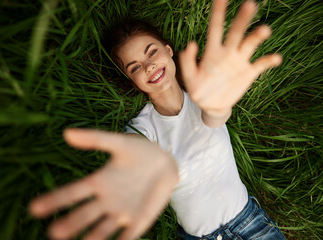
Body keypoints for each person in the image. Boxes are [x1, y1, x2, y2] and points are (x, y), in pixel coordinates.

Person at [29, 0, 285, 239]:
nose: (148, 66)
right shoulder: (142, 128)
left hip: (253, 226)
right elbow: (137, 151)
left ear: (168, 50)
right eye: (135, 67)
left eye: (151, 52)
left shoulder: (202, 94)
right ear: (131, 81)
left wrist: (220, 104)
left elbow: (215, 116)